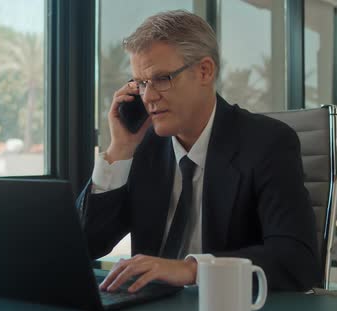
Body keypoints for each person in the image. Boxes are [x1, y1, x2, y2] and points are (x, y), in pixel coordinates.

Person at [76, 10, 319, 294]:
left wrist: (192, 269)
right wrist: (119, 148)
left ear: (205, 71)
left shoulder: (268, 143)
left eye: (161, 78)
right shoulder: (143, 147)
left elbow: (297, 261)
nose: (148, 96)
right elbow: (84, 245)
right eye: (141, 83)